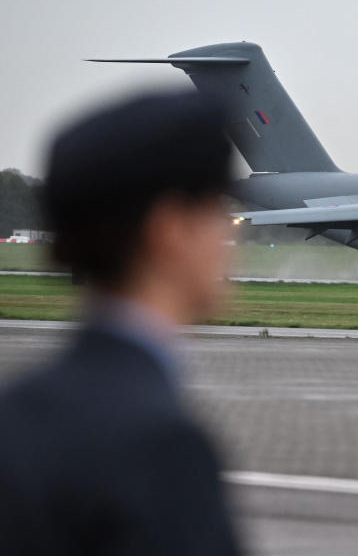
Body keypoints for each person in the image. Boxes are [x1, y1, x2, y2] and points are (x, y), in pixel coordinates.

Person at [0, 91, 241, 555]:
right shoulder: (162, 444)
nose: (230, 238)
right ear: (170, 230)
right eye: (217, 214)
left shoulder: (17, 410)